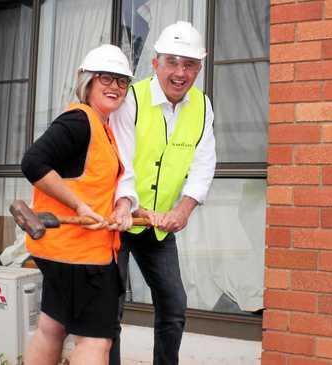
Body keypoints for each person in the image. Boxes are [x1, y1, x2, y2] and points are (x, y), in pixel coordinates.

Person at [21, 44, 137, 365]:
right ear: (87, 80)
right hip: (84, 258)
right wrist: (80, 206)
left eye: (122, 81)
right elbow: (33, 163)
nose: (115, 87)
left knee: (50, 329)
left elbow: (94, 184)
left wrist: (122, 208)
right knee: (95, 342)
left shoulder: (102, 127)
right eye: (106, 78)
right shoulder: (80, 122)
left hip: (58, 251)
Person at [109, 21, 216, 365]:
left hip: (160, 227)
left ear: (200, 67)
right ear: (155, 63)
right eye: (172, 61)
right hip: (119, 220)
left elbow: (203, 165)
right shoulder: (132, 101)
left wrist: (183, 210)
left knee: (173, 304)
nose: (180, 73)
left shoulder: (202, 106)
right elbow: (121, 163)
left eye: (189, 64)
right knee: (110, 310)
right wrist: (132, 209)